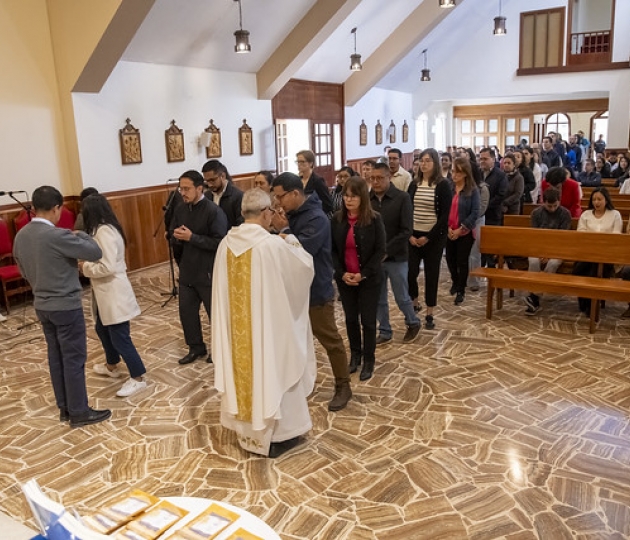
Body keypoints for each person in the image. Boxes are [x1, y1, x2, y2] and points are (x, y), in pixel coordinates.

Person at [212, 188, 316, 458]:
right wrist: (291, 240)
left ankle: (247, 434)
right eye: (272, 211)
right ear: (265, 213)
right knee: (274, 366)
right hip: (266, 332)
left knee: (245, 374)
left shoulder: (225, 244)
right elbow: (302, 269)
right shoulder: (271, 245)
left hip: (238, 338)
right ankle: (278, 435)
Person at [13, 186, 111, 428]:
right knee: (74, 359)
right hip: (65, 305)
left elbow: (22, 269)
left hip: (42, 305)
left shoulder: (21, 236)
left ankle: (65, 408)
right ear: (57, 208)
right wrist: (81, 234)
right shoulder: (58, 236)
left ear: (34, 208)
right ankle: (79, 411)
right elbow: (95, 251)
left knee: (56, 357)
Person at [271, 173, 352, 410]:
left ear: (295, 193)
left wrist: (283, 229)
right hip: (293, 290)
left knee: (330, 338)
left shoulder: (316, 218)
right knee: (295, 339)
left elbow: (302, 251)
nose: (278, 203)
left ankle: (343, 385)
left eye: (280, 197)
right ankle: (298, 383)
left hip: (316, 289)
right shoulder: (294, 213)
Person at [80, 194, 147, 397]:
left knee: (120, 337)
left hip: (113, 291)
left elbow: (107, 266)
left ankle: (138, 377)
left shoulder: (105, 232)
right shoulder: (103, 229)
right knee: (102, 329)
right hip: (104, 294)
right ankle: (112, 367)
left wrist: (85, 267)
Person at [170, 170, 228, 365]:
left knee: (215, 314)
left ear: (199, 188)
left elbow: (220, 242)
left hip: (208, 272)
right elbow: (172, 233)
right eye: (181, 189)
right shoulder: (180, 209)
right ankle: (196, 347)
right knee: (186, 313)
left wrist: (192, 238)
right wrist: (175, 237)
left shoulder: (213, 211)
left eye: (187, 189)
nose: (183, 193)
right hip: (187, 271)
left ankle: (219, 349)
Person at [331, 177, 385, 381]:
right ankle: (355, 356)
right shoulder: (337, 220)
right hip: (345, 279)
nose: (348, 200)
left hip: (368, 279)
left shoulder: (374, 219)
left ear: (362, 197)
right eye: (346, 195)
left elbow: (380, 250)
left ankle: (369, 360)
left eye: (353, 196)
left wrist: (363, 274)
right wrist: (342, 273)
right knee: (351, 319)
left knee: (368, 322)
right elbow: (333, 251)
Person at [369, 163, 421, 345]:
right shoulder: (368, 199)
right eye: (372, 178)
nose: (375, 182)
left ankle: (413, 322)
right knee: (378, 297)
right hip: (375, 258)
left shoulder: (402, 198)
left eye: (379, 178)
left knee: (401, 295)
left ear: (388, 177)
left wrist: (386, 251)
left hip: (397, 256)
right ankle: (384, 330)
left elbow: (406, 230)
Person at [407, 148, 452, 330]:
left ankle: (429, 312)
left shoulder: (443, 185)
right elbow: (407, 210)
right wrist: (409, 234)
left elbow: (444, 216)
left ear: (435, 163)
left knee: (431, 275)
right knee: (410, 273)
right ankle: (414, 302)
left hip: (433, 237)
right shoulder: (414, 183)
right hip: (413, 236)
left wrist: (428, 237)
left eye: (427, 160)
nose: (423, 164)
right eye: (421, 160)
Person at [573, 186, 623, 313]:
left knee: (593, 267)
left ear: (606, 200)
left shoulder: (615, 215)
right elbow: (581, 234)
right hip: (587, 252)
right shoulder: (586, 214)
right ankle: (586, 300)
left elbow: (616, 236)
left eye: (600, 199)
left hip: (607, 255)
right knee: (585, 265)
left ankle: (589, 303)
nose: (596, 202)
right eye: (594, 199)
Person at [523, 188, 572, 315]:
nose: (552, 209)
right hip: (538, 248)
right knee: (533, 262)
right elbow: (535, 236)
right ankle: (535, 297)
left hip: (558, 250)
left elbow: (563, 238)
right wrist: (541, 253)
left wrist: (550, 254)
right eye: (549, 206)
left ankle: (534, 296)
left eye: (555, 205)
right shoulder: (537, 213)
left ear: (559, 202)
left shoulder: (565, 214)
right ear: (543, 202)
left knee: (553, 263)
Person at [446, 157, 479, 305]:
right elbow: (443, 209)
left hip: (465, 232)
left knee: (462, 261)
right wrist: (447, 228)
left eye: (458, 172)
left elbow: (475, 212)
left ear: (465, 173)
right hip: (449, 230)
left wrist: (461, 229)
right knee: (449, 259)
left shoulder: (472, 190)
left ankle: (461, 290)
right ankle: (455, 281)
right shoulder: (449, 188)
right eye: (453, 172)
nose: (454, 175)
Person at [202, 160, 244, 229]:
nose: (209, 185)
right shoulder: (207, 196)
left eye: (212, 180)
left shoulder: (238, 196)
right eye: (207, 181)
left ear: (223, 176)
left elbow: (241, 225)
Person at [295, 150, 333, 215]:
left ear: (311, 163)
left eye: (302, 162)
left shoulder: (317, 181)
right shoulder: (297, 180)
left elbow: (328, 204)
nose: (299, 164)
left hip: (316, 215)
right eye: (298, 162)